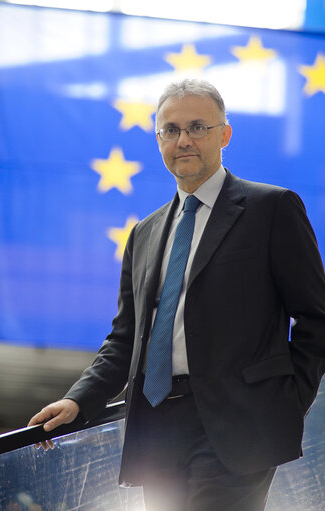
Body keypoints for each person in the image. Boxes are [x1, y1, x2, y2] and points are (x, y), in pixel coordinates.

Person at [28, 79, 325, 511]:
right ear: (158, 141)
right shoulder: (144, 233)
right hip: (156, 428)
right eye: (170, 130)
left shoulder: (272, 209)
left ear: (224, 134)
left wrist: (285, 401)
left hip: (239, 426)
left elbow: (316, 317)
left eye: (197, 127)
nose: (183, 140)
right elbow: (125, 338)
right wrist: (78, 398)